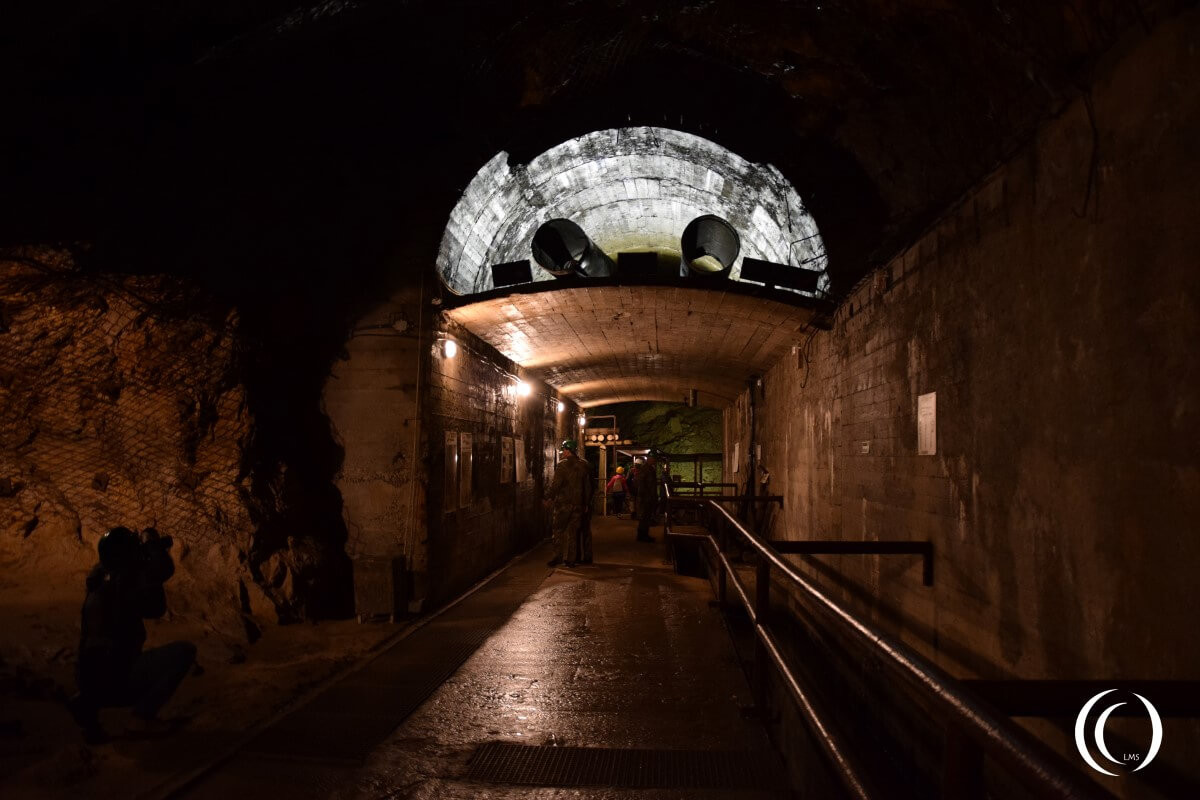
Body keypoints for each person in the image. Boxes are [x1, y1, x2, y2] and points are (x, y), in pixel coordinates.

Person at [66, 526, 196, 744]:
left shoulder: (99, 577)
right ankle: (141, 719)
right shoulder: (124, 584)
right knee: (184, 652)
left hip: (87, 677)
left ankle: (88, 702)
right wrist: (152, 548)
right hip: (117, 680)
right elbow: (158, 598)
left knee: (103, 663)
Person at [544, 439, 593, 567]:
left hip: (563, 504)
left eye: (564, 450)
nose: (562, 452)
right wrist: (586, 503)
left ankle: (558, 557)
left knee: (558, 530)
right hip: (578, 505)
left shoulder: (562, 466)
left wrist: (548, 497)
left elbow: (556, 485)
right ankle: (571, 560)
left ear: (567, 450)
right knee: (573, 532)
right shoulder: (584, 465)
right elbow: (587, 486)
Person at [633, 454, 659, 543]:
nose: (655, 461)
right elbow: (646, 484)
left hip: (646, 496)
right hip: (646, 497)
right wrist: (650, 496)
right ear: (650, 459)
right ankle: (643, 536)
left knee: (645, 517)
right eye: (654, 459)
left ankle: (642, 535)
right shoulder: (647, 470)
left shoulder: (645, 469)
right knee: (645, 516)